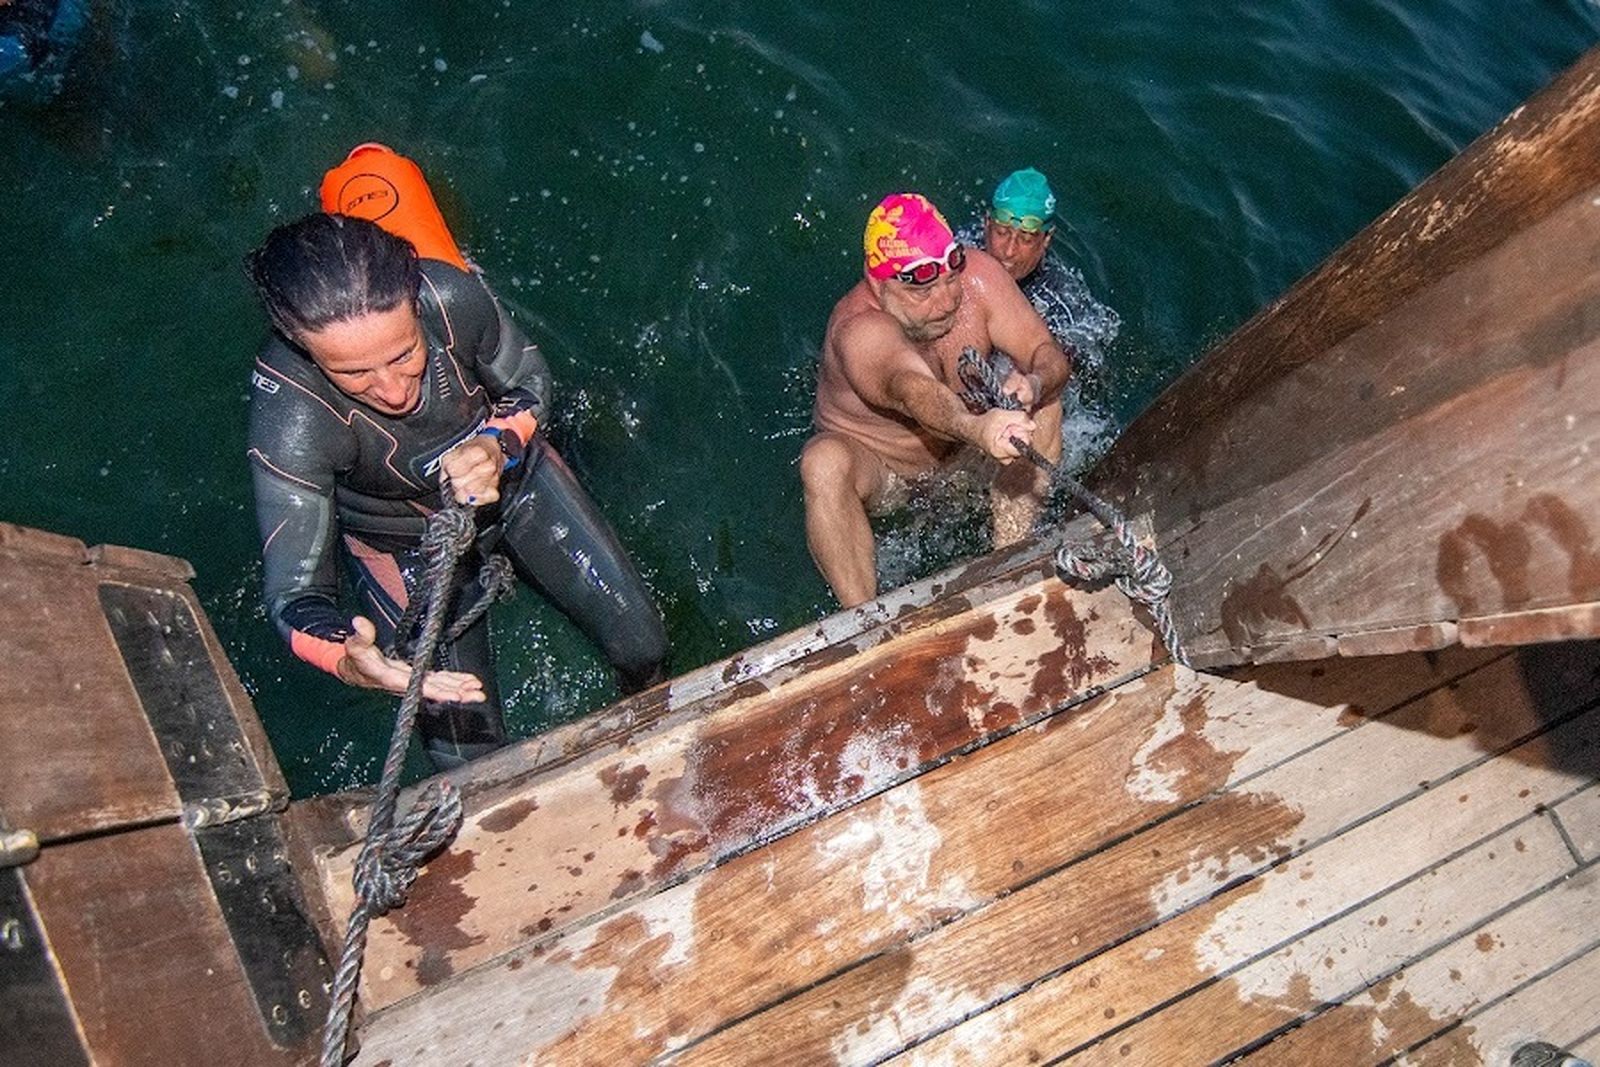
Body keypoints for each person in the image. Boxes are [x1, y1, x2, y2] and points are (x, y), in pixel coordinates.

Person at [246, 144, 668, 770]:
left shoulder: (451, 298)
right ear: (303, 349)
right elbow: (294, 595)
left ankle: (654, 747)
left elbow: (528, 381)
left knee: (644, 646)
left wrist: (497, 444)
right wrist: (345, 654)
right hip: (402, 544)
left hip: (517, 485)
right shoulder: (290, 418)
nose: (392, 389)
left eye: (403, 354)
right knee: (466, 761)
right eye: (353, 372)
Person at [801, 192, 1072, 608]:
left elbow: (1046, 350)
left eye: (950, 280)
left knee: (1046, 405)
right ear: (879, 284)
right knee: (823, 462)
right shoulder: (859, 329)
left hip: (967, 459)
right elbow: (913, 391)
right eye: (923, 291)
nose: (946, 303)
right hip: (890, 474)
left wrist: (1034, 383)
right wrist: (979, 428)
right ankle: (865, 623)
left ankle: (1007, 567)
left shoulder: (979, 277)